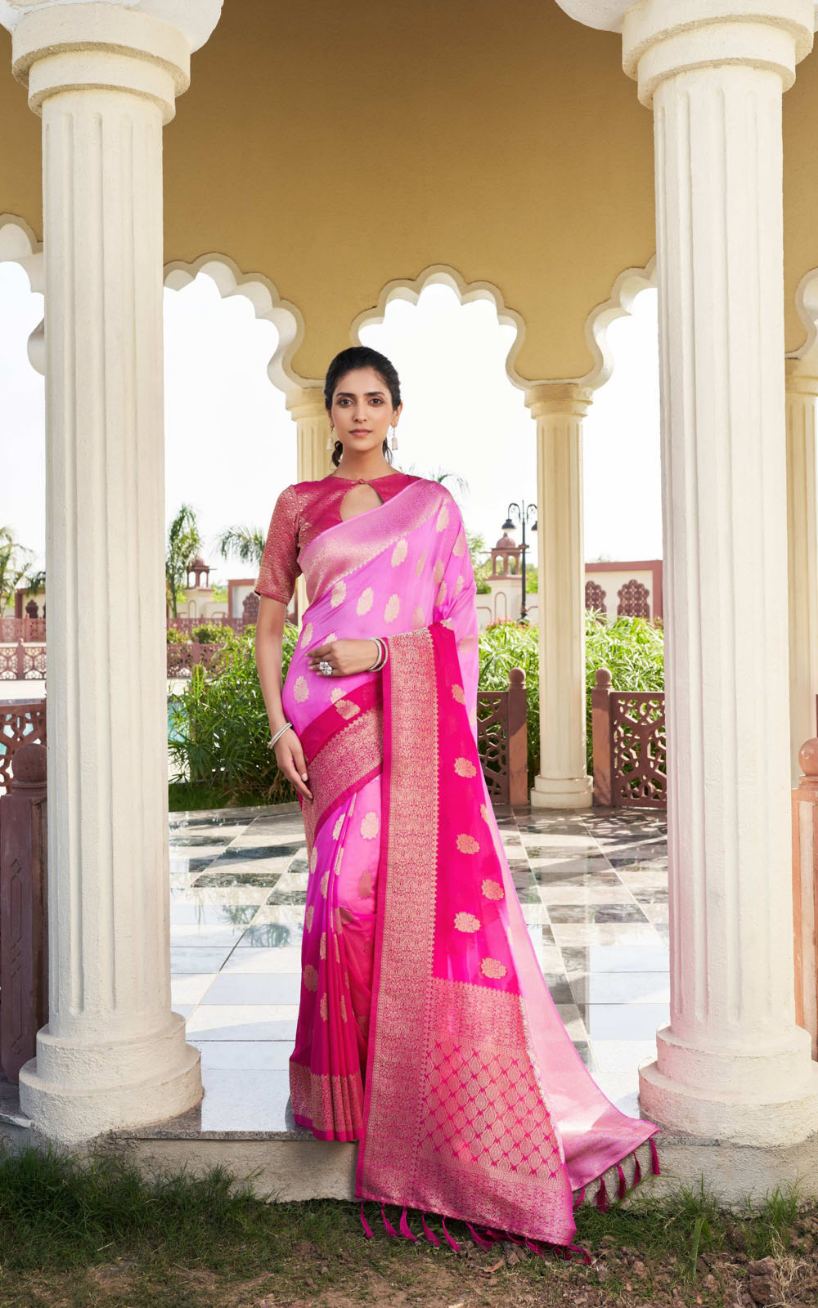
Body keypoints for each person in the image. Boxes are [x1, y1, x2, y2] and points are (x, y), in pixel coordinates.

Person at [253, 345, 661, 1261]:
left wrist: (376, 658)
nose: (359, 415)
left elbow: (453, 630)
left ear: (397, 411)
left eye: (374, 400)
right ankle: (339, 1093)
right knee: (332, 903)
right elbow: (274, 618)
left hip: (397, 719)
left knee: (372, 899)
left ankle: (403, 1088)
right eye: (345, 401)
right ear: (328, 414)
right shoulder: (297, 507)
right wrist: (278, 717)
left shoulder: (432, 508)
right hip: (321, 725)